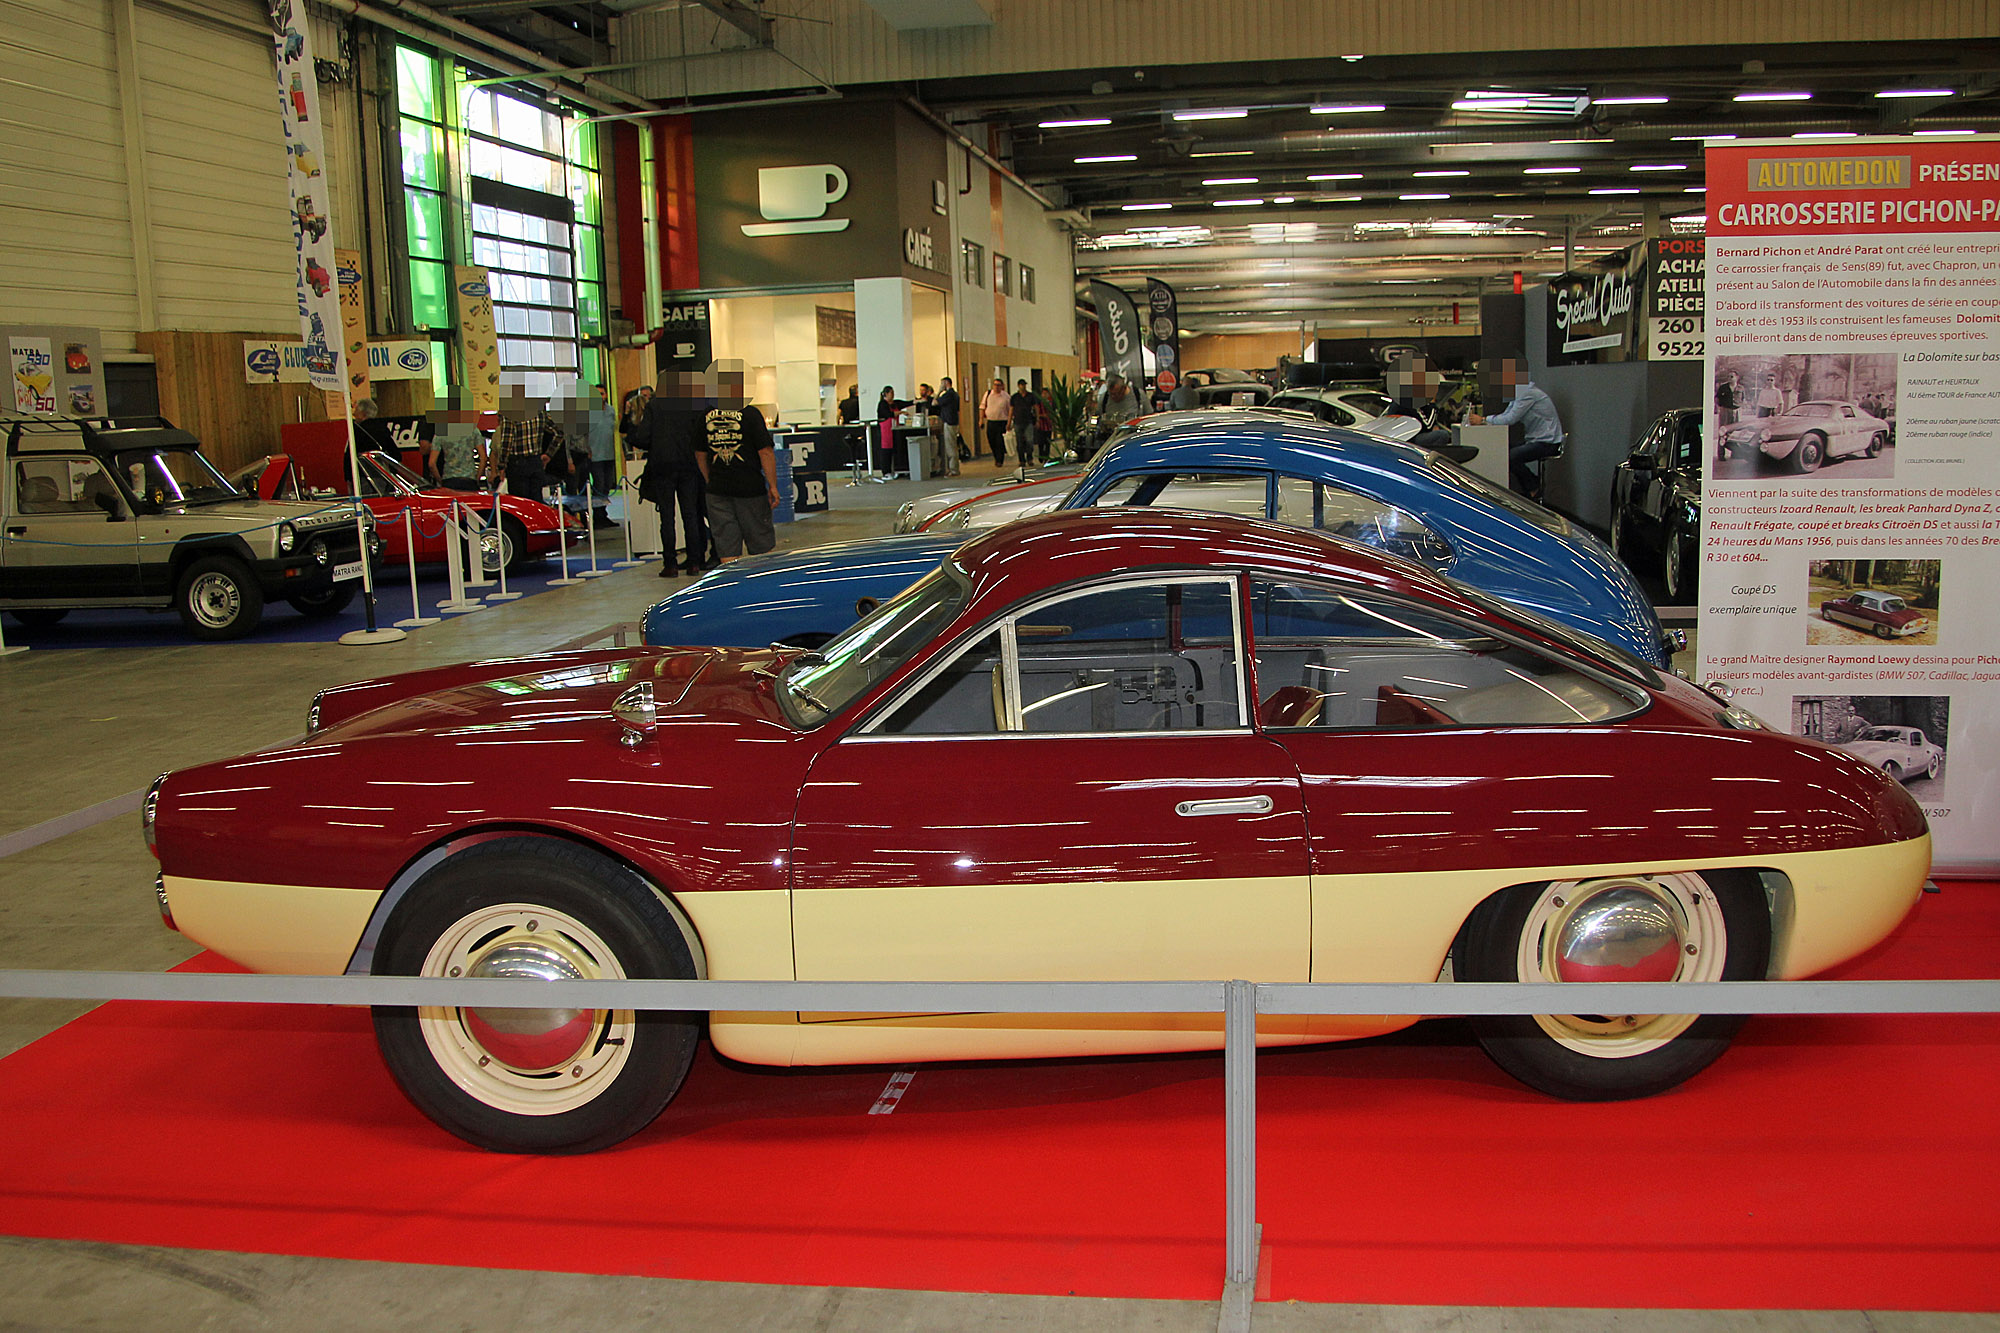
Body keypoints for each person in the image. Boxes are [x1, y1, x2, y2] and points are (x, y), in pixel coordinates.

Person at [628, 370, 714, 578]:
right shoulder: (693, 405)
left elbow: (642, 438)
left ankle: (670, 564)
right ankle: (695, 562)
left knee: (666, 516)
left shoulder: (654, 406)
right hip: (689, 465)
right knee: (690, 514)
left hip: (663, 466)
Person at [697, 365, 781, 561]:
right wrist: (773, 486)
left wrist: (710, 479)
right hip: (749, 489)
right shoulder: (750, 414)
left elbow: (699, 454)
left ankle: (734, 588)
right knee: (761, 548)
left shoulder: (705, 416)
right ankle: (761, 588)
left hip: (718, 491)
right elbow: (766, 452)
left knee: (727, 550)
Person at [1469, 359, 1565, 500]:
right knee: (1502, 450)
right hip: (1536, 440)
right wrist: (1486, 421)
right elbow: (1506, 415)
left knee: (1509, 457)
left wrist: (1483, 420)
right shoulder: (1520, 393)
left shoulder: (1526, 393)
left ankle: (1533, 487)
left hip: (1547, 443)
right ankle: (1531, 487)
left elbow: (1510, 419)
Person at [490, 382, 567, 504]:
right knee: (536, 501)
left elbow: (507, 441)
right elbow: (560, 432)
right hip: (536, 462)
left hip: (517, 464)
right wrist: (549, 454)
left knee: (520, 503)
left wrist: (502, 466)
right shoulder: (539, 411)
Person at [429, 393, 487, 490]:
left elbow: (431, 463)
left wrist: (440, 481)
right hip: (469, 480)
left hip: (449, 480)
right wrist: (477, 478)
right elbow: (484, 458)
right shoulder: (473, 430)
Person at [875, 385, 912, 475]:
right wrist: (902, 412)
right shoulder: (882, 404)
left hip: (893, 430)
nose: (893, 394)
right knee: (886, 451)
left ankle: (895, 469)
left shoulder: (895, 403)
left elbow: (905, 403)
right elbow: (889, 414)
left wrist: (916, 401)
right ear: (886, 394)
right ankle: (886, 471)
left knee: (894, 450)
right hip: (885, 431)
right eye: (891, 393)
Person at [935, 376, 963, 474]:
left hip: (949, 422)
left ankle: (953, 469)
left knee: (950, 447)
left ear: (946, 383)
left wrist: (939, 391)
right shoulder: (955, 394)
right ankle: (953, 468)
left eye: (942, 383)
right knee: (952, 445)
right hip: (954, 421)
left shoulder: (948, 395)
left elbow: (934, 402)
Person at [981, 377, 1011, 465]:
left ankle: (999, 460)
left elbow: (1010, 410)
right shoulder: (988, 394)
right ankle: (995, 456)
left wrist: (1009, 422)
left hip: (1002, 422)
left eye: (998, 385)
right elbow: (982, 407)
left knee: (999, 441)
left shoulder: (1006, 396)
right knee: (991, 440)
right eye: (995, 385)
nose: (996, 387)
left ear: (1002, 386)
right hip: (991, 421)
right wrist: (981, 420)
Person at [1009, 379, 1037, 468]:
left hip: (1028, 421)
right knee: (1019, 442)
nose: (1023, 386)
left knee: (1030, 441)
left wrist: (1038, 419)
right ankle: (1021, 460)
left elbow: (1036, 407)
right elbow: (1011, 410)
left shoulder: (1030, 396)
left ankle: (1030, 458)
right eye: (1021, 385)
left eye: (1024, 385)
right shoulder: (1014, 397)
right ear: (1018, 386)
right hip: (1018, 421)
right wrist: (1009, 422)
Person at [914, 383, 937, 477]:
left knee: (933, 447)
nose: (921, 392)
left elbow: (935, 411)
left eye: (923, 390)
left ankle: (933, 466)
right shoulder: (919, 402)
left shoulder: (932, 401)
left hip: (931, 426)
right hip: (921, 426)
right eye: (920, 390)